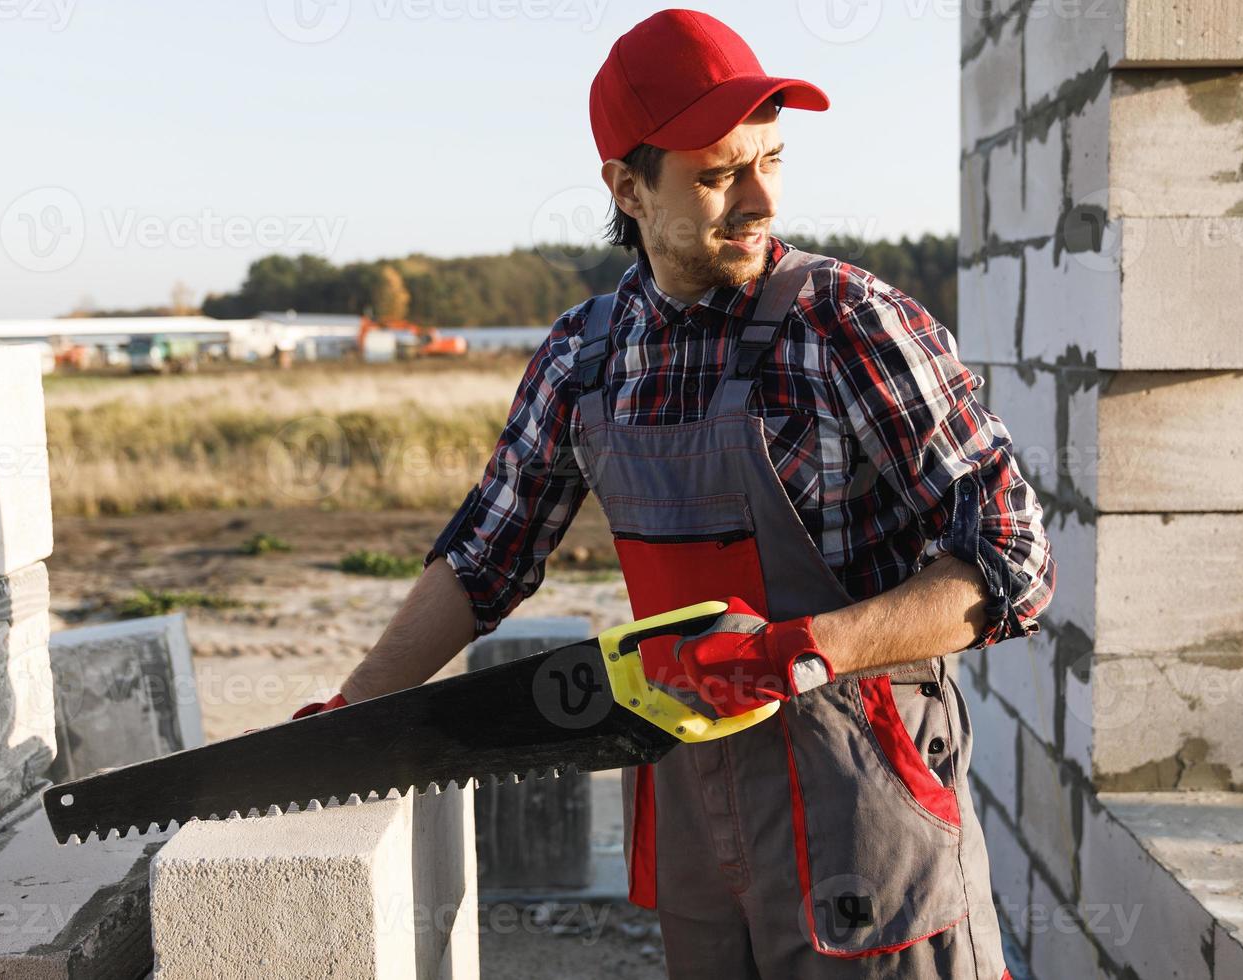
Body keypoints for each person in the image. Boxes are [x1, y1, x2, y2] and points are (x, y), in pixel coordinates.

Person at [307, 10, 1054, 979]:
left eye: (769, 160)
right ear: (626, 184)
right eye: (714, 176)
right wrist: (350, 716)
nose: (757, 200)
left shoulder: (850, 325)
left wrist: (800, 649)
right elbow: (487, 557)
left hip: (859, 789)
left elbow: (1010, 559)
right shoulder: (587, 352)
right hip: (689, 785)